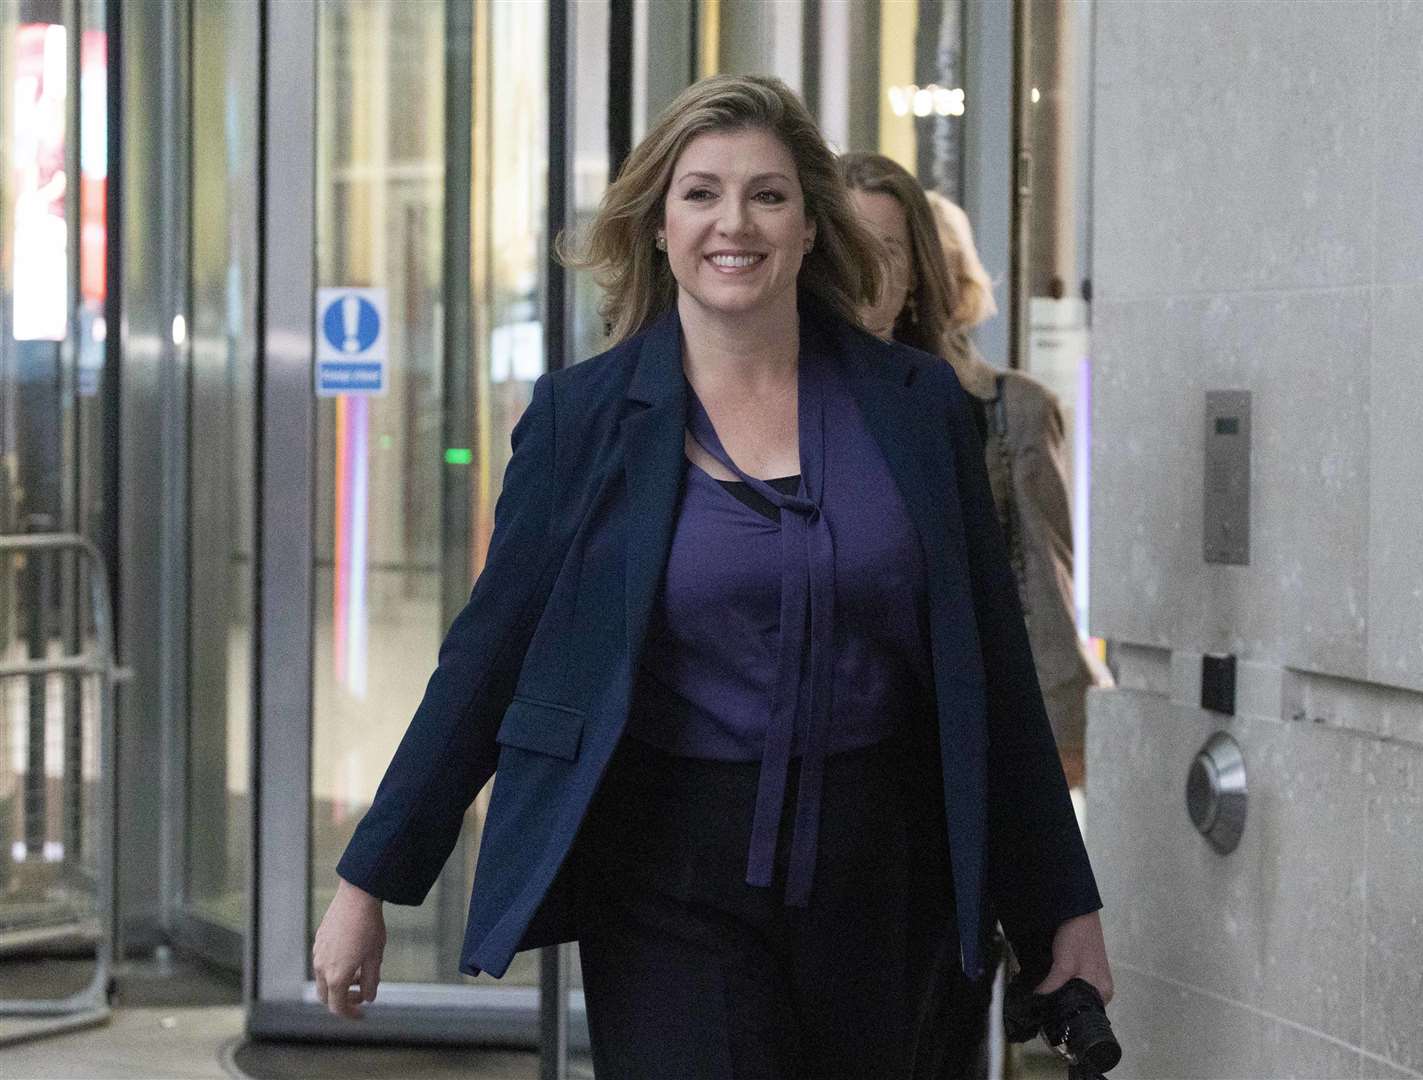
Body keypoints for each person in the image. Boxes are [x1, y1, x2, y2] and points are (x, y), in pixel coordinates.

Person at [313, 75, 1111, 1080]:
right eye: (701, 193)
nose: (735, 222)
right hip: (665, 875)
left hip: (887, 874)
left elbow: (990, 670)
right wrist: (367, 883)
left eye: (768, 195)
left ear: (812, 226)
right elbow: (486, 657)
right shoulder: (584, 421)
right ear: (656, 224)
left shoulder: (916, 411)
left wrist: (1059, 905)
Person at [841, 153, 1114, 1077]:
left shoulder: (990, 413)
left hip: (943, 792)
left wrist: (1049, 830)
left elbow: (1035, 607)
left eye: (884, 249)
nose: (862, 273)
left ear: (922, 269)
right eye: (842, 247)